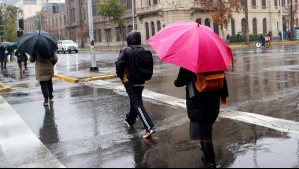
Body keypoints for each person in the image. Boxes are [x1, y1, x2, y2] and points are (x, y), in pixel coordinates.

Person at [174, 68, 229, 168]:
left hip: (198, 101)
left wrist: (176, 82)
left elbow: (180, 81)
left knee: (204, 133)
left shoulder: (190, 61)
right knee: (205, 129)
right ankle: (206, 155)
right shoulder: (214, 60)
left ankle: (211, 163)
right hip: (213, 100)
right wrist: (224, 96)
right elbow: (222, 78)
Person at [115, 30, 155, 139]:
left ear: (129, 39)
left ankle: (149, 126)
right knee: (135, 100)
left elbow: (119, 63)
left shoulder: (126, 50)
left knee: (137, 103)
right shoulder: (145, 51)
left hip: (130, 81)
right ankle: (130, 120)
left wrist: (120, 75)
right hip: (141, 81)